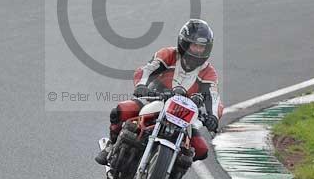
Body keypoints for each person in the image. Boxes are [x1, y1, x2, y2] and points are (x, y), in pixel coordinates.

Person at [95, 19, 223, 166]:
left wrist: (213, 116)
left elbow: (213, 96)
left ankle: (171, 170)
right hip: (155, 99)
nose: (199, 51)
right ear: (184, 43)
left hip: (182, 115)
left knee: (201, 149)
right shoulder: (168, 54)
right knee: (121, 111)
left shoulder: (209, 72)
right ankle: (111, 145)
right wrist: (141, 85)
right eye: (195, 45)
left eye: (202, 47)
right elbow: (146, 70)